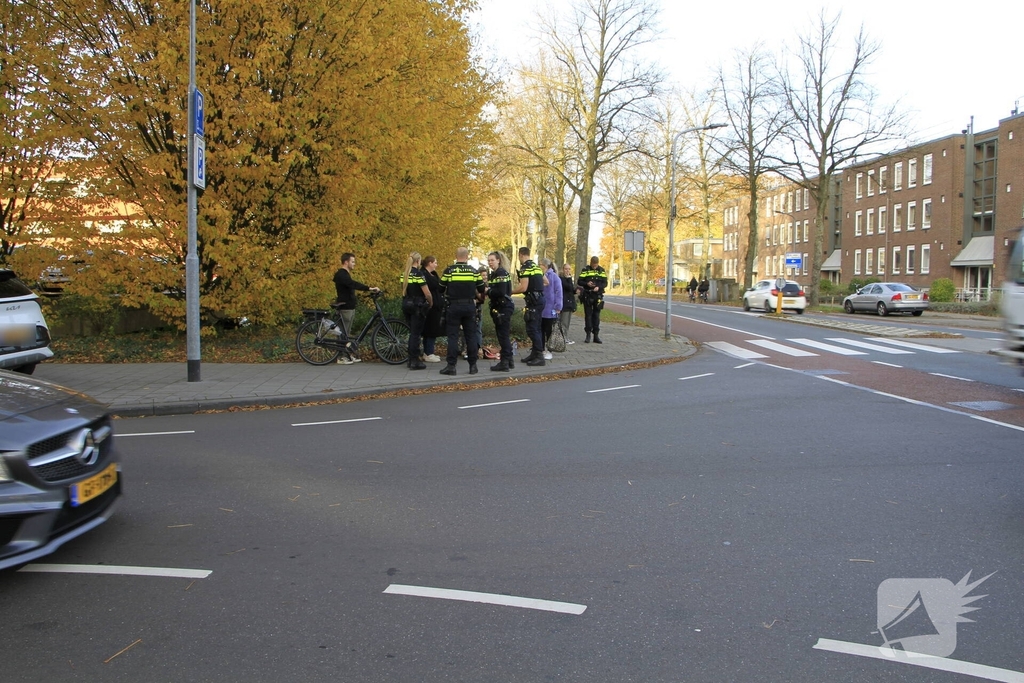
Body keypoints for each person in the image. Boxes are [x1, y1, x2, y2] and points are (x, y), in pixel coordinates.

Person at [438, 246, 484, 376]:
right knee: (471, 336)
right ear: (467, 256)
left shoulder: (449, 271)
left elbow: (440, 288)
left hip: (453, 306)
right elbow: (481, 288)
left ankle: (451, 366)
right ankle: (473, 366)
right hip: (469, 306)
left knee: (453, 336)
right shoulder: (474, 271)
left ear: (456, 256)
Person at [332, 252, 380, 364]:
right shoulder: (342, 274)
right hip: (345, 307)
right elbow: (352, 284)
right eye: (352, 261)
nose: (354, 264)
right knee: (343, 333)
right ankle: (341, 357)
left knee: (346, 333)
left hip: (349, 306)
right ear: (346, 262)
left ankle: (347, 354)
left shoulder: (345, 274)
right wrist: (369, 288)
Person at [512, 247, 546, 365]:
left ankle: (539, 356)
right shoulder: (536, 267)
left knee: (532, 328)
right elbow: (546, 282)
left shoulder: (525, 268)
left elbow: (523, 288)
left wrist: (510, 292)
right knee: (537, 328)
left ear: (521, 255)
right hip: (540, 299)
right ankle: (535, 353)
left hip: (533, 302)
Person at [401, 252, 432, 370]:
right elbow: (427, 293)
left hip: (407, 304)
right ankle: (415, 360)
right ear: (418, 261)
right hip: (417, 306)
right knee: (416, 334)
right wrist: (430, 302)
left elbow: (404, 290)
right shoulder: (418, 274)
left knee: (412, 332)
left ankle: (410, 359)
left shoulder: (405, 274)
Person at [485, 251, 515, 372]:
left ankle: (504, 362)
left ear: (498, 260)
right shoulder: (495, 273)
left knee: (503, 336)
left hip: (503, 307)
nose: (490, 262)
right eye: (489, 260)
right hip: (500, 307)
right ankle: (510, 360)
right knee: (503, 334)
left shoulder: (500, 273)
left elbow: (501, 292)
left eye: (492, 260)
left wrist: (488, 291)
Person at [576, 255, 607, 344]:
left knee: (596, 316)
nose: (594, 266)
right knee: (588, 316)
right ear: (591, 263)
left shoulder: (601, 270)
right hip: (588, 295)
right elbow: (579, 281)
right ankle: (588, 334)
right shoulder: (586, 270)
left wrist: (598, 287)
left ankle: (596, 335)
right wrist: (587, 283)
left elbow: (605, 283)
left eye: (596, 265)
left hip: (598, 296)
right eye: (593, 265)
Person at [419, 256, 443, 362]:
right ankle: (428, 352)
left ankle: (428, 351)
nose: (436, 265)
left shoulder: (433, 274)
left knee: (433, 328)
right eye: (435, 263)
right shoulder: (423, 274)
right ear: (430, 263)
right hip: (430, 305)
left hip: (436, 305)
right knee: (430, 329)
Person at [541, 258, 562, 360]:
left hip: (550, 308)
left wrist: (558, 306)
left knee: (549, 330)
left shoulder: (554, 277)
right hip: (541, 307)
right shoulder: (541, 276)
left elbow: (559, 293)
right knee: (541, 329)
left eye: (540, 264)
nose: (539, 266)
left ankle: (549, 350)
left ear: (545, 266)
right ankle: (541, 349)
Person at [559, 263, 577, 344]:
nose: (567, 271)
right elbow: (567, 287)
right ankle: (563, 338)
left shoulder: (568, 279)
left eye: (569, 269)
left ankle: (565, 337)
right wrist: (569, 279)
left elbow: (571, 290)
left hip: (569, 303)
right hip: (564, 303)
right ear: (563, 270)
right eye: (566, 269)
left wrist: (576, 291)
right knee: (564, 322)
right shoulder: (562, 279)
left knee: (567, 322)